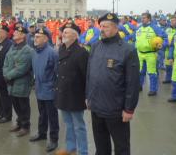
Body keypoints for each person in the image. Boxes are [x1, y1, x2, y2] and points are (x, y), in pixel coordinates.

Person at [86, 13, 140, 155]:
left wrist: (129, 109)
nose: (102, 29)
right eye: (101, 26)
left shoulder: (128, 50)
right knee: (101, 146)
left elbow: (133, 83)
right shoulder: (96, 46)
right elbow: (89, 75)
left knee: (121, 147)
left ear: (116, 28)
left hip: (115, 110)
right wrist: (88, 97)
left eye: (107, 26)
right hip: (97, 108)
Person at [55, 21, 89, 155]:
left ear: (75, 36)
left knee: (79, 126)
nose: (63, 33)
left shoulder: (81, 53)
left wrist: (87, 96)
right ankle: (70, 149)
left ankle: (82, 152)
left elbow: (87, 76)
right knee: (68, 124)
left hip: (76, 94)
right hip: (63, 92)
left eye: (67, 32)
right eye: (63, 31)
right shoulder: (62, 49)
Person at [30, 28, 59, 153]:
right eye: (35, 36)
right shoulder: (35, 52)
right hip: (39, 88)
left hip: (49, 89)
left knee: (52, 116)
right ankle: (41, 133)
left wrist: (54, 87)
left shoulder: (52, 53)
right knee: (42, 114)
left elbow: (57, 72)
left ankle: (53, 139)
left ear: (46, 38)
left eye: (38, 36)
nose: (35, 39)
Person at [3, 26, 33, 137]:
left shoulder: (27, 50)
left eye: (17, 32)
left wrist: (8, 75)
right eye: (15, 31)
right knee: (15, 104)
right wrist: (6, 73)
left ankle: (25, 126)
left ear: (23, 35)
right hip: (11, 82)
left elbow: (22, 68)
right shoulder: (13, 47)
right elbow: (5, 62)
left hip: (21, 83)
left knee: (23, 106)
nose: (14, 33)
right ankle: (19, 123)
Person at [134, 12, 168, 96]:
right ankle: (139, 86)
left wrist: (162, 45)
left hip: (151, 54)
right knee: (140, 71)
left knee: (152, 72)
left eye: (144, 18)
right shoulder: (139, 28)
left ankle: (153, 89)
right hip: (140, 54)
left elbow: (165, 37)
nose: (142, 19)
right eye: (142, 18)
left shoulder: (155, 28)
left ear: (149, 19)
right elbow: (135, 39)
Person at [163, 16, 176, 84]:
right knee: (168, 67)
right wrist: (164, 44)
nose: (172, 22)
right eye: (171, 20)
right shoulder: (168, 30)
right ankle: (168, 79)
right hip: (167, 51)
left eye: (173, 20)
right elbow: (164, 38)